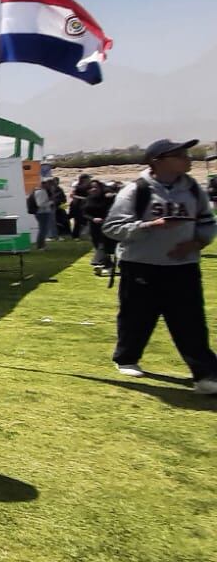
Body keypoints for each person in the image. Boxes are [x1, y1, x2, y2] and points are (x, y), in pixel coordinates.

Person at [102, 139, 217, 392]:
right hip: (141, 265)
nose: (187, 158)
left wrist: (197, 242)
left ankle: (206, 374)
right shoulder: (136, 190)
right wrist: (148, 227)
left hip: (183, 266)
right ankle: (127, 357)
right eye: (179, 155)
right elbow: (112, 228)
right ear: (158, 161)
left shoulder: (193, 190)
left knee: (191, 320)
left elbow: (208, 221)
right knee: (137, 316)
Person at [29, 180, 54, 249]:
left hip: (43, 212)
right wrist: (51, 202)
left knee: (44, 229)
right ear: (45, 184)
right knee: (43, 229)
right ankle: (40, 245)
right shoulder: (41, 192)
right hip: (41, 213)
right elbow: (40, 204)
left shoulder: (42, 191)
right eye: (49, 184)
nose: (51, 186)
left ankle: (42, 244)